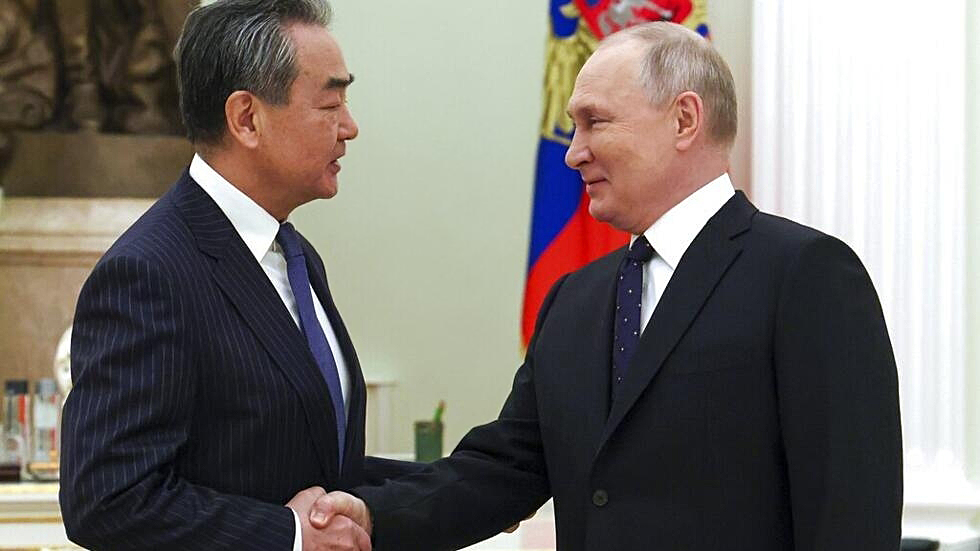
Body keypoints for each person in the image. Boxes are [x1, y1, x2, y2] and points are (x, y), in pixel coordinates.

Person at [315, 21, 903, 550]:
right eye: (573, 127)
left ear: (684, 119)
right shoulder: (575, 300)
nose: (574, 153)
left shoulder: (806, 275)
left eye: (595, 121)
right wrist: (370, 516)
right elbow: (505, 470)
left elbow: (849, 511)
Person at [59, 1, 416, 549]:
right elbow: (109, 498)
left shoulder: (294, 255)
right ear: (247, 117)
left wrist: (463, 491)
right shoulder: (148, 273)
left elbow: (305, 452)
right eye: (330, 102)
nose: (350, 126)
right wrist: (288, 535)